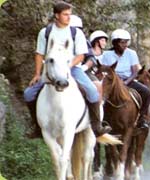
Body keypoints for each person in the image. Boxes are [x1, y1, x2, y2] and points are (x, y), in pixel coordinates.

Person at [23, 1, 111, 138]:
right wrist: (37, 73)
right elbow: (39, 54)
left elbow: (81, 55)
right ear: (56, 15)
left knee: (93, 92)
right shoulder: (45, 32)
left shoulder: (76, 33)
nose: (69, 17)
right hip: (51, 69)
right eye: (65, 14)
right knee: (28, 94)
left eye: (70, 14)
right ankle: (36, 125)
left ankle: (96, 126)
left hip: (73, 68)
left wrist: (66, 67)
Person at [101, 29, 150, 129]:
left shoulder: (131, 53)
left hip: (128, 80)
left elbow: (134, 72)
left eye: (126, 42)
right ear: (115, 43)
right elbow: (105, 70)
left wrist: (126, 82)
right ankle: (101, 120)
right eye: (122, 42)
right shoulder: (106, 54)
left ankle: (143, 118)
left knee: (146, 92)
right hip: (112, 81)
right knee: (101, 96)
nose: (125, 45)